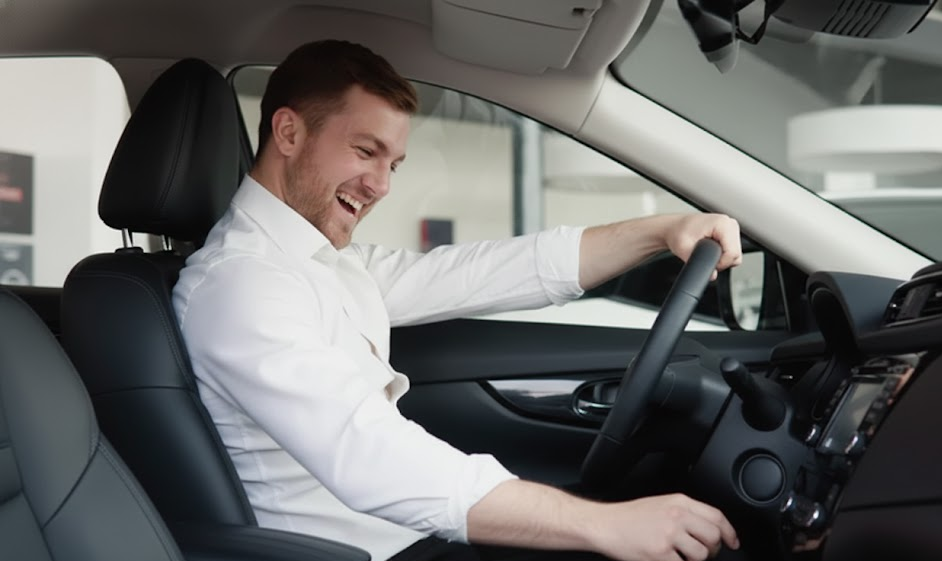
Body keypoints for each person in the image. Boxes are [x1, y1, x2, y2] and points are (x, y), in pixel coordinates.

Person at [173, 40, 743, 561]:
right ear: (290, 134)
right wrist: (604, 526)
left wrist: (663, 230)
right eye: (365, 151)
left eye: (392, 163)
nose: (381, 185)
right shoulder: (241, 285)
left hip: (410, 541)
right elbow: (371, 456)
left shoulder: (318, 263)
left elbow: (482, 271)